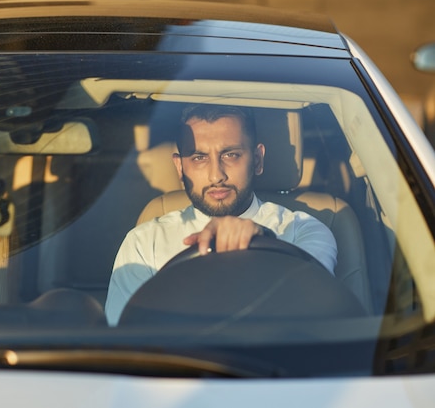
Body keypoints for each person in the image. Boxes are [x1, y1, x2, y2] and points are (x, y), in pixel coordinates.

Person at [104, 104, 338, 326]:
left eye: (231, 155)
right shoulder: (145, 242)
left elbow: (309, 307)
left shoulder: (305, 230)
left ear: (257, 159)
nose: (216, 175)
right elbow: (125, 340)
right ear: (179, 167)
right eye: (199, 158)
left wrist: (263, 242)